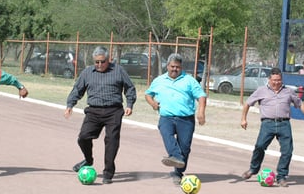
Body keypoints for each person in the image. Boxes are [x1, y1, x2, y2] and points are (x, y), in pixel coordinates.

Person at [64, 46, 137, 184]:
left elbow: (130, 88)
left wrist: (129, 105)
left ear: (108, 59)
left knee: (111, 141)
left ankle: (108, 173)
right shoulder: (87, 72)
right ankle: (88, 159)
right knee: (83, 137)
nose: (99, 65)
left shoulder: (118, 70)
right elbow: (77, 90)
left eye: (102, 62)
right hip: (93, 111)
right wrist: (70, 105)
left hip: (113, 111)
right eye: (96, 62)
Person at [240, 67, 304, 187]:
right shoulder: (261, 90)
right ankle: (253, 169)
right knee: (259, 146)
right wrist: (244, 118)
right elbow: (248, 103)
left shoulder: (288, 91)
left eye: (279, 80)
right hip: (267, 124)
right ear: (269, 79)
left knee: (287, 151)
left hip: (284, 124)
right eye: (274, 80)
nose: (276, 82)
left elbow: (299, 104)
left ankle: (281, 176)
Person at [144, 53, 206, 185]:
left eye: (177, 67)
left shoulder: (189, 80)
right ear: (167, 66)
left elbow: (201, 96)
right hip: (166, 117)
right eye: (172, 66)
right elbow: (148, 94)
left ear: (181, 67)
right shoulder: (159, 80)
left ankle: (177, 173)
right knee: (167, 135)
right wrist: (153, 103)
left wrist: (201, 112)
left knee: (185, 147)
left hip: (186, 119)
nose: (174, 69)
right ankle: (176, 157)